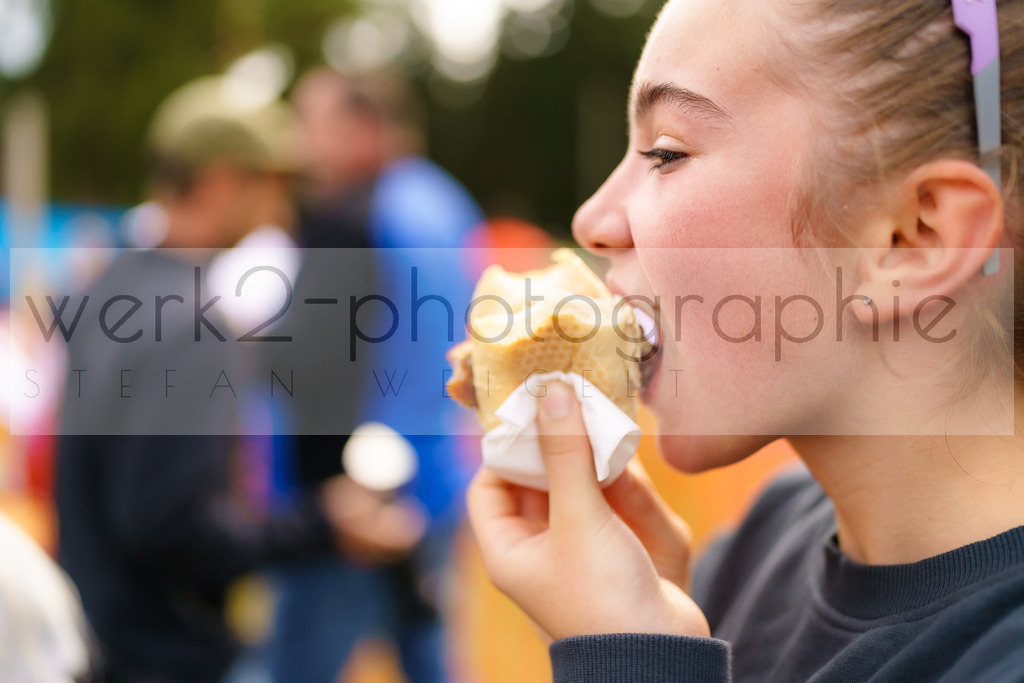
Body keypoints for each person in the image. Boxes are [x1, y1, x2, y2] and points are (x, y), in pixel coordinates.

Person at [467, 0, 1024, 681]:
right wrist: (667, 620)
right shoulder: (764, 539)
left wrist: (633, 665)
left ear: (912, 237)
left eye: (666, 153)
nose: (592, 220)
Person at [55, 75, 367, 683]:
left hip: (99, 639)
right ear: (225, 179)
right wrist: (326, 527)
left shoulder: (106, 289)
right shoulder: (195, 322)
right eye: (277, 182)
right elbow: (171, 525)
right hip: (165, 656)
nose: (285, 206)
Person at [264, 67, 482, 683]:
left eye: (310, 122)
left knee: (296, 663)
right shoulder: (445, 201)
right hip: (437, 474)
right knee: (431, 656)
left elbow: (315, 363)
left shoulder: (358, 218)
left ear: (362, 130)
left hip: (361, 489)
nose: (297, 141)